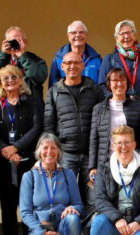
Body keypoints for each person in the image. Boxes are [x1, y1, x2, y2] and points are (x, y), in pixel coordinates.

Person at [0, 64, 44, 235]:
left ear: (21, 79)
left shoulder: (32, 101)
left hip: (26, 160)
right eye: (5, 78)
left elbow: (37, 127)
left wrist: (17, 148)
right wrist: (8, 152)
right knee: (7, 206)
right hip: (3, 162)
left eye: (13, 77)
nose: (10, 81)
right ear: (0, 83)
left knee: (28, 205)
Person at [19, 133, 83, 235]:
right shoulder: (29, 176)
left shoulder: (68, 175)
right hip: (41, 228)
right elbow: (25, 212)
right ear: (39, 152)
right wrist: (43, 233)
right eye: (45, 148)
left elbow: (79, 204)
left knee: (73, 218)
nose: (49, 152)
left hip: (63, 225)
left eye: (53, 148)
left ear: (59, 151)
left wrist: (74, 208)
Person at [45, 52, 104, 199]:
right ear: (62, 66)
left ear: (83, 66)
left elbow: (103, 122)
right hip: (65, 154)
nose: (73, 66)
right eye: (69, 63)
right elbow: (49, 125)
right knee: (66, 197)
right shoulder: (54, 91)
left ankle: (89, 223)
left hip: (90, 156)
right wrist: (54, 153)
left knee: (92, 198)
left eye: (77, 62)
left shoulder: (94, 89)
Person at [89, 68, 140, 179]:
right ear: (109, 84)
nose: (119, 84)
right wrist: (92, 166)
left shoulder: (138, 107)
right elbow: (94, 139)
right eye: (115, 81)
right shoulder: (98, 109)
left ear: (127, 83)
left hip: (131, 162)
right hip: (106, 164)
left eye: (122, 80)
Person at [99, 19, 140, 99]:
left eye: (129, 33)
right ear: (116, 38)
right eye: (122, 34)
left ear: (134, 35)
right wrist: (115, 100)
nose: (126, 36)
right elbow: (102, 86)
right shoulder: (110, 60)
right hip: (120, 108)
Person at [0, 27, 49, 100]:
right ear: (6, 42)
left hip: (31, 106)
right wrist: (3, 55)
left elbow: (39, 78)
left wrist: (23, 56)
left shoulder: (35, 60)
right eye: (13, 40)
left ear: (25, 42)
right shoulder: (2, 61)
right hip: (8, 106)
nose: (16, 43)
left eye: (19, 40)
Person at [50, 20, 103, 85]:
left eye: (81, 32)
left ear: (86, 35)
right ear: (68, 36)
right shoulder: (59, 59)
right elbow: (53, 86)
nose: (78, 35)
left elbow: (101, 86)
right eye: (74, 33)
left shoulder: (96, 59)